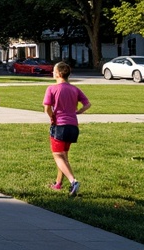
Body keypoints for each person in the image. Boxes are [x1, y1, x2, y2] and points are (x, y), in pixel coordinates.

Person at [43, 61, 90, 197]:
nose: (52, 73)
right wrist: (78, 112)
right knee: (63, 157)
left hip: (60, 126)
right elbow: (87, 104)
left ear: (58, 73)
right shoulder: (74, 89)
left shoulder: (51, 88)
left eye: (53, 71)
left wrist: (52, 117)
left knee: (57, 155)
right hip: (73, 126)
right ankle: (58, 183)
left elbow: (46, 107)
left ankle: (73, 181)